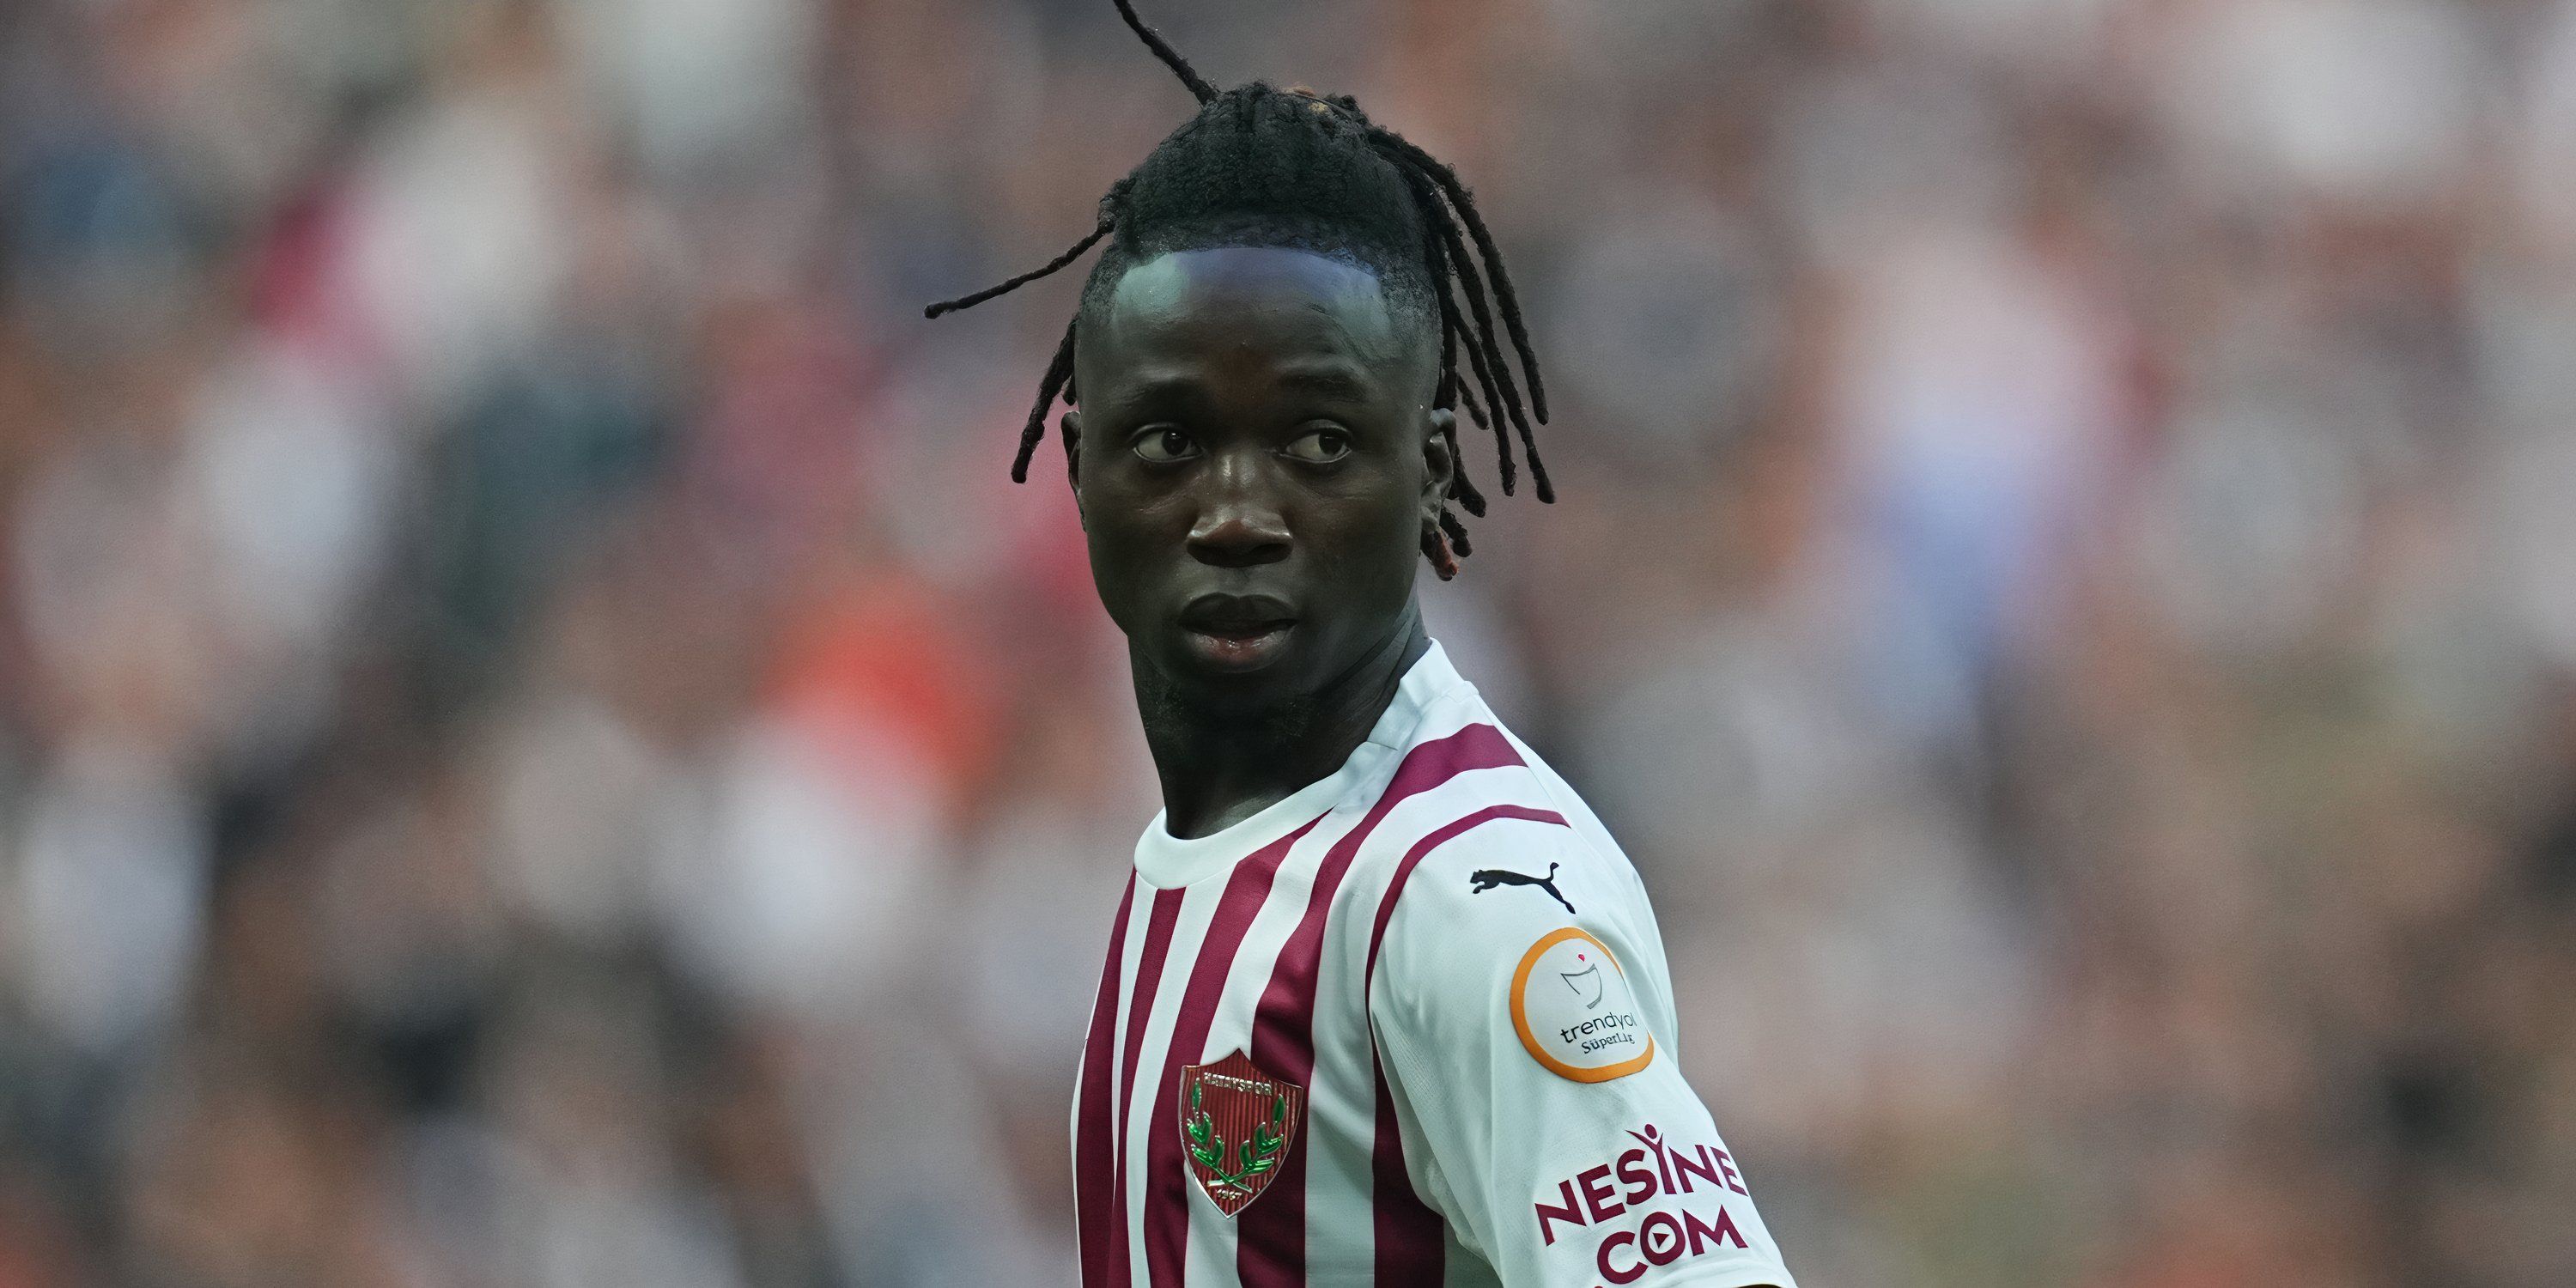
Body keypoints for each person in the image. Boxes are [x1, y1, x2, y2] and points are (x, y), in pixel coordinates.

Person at [926, 5, 1799, 1285]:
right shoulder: (1204, 857)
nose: (1235, 513)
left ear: (1432, 471)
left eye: (1319, 442)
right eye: (1170, 441)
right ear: (1079, 470)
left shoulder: (1469, 905)